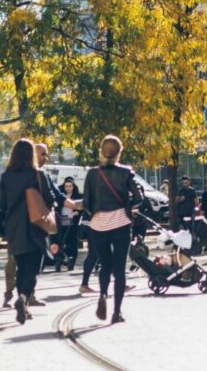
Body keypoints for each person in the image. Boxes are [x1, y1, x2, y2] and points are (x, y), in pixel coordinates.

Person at [82, 135, 143, 323]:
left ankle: (102, 294)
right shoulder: (126, 172)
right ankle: (117, 312)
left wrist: (95, 213)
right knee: (119, 268)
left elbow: (86, 203)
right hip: (120, 224)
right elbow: (139, 198)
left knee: (105, 265)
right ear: (119, 152)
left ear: (101, 151)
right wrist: (126, 206)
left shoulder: (92, 174)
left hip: (99, 224)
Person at [0, 139, 54, 324]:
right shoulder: (37, 174)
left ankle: (24, 306)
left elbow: (2, 204)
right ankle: (22, 299)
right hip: (34, 226)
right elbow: (50, 199)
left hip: (14, 228)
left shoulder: (6, 176)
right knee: (33, 269)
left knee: (21, 267)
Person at [59, 177, 83, 270]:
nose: (68, 188)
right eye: (66, 186)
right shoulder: (61, 196)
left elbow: (80, 210)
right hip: (61, 221)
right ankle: (63, 258)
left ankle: (72, 260)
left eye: (70, 186)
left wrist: (74, 213)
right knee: (61, 241)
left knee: (72, 241)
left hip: (72, 222)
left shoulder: (78, 196)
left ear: (73, 187)